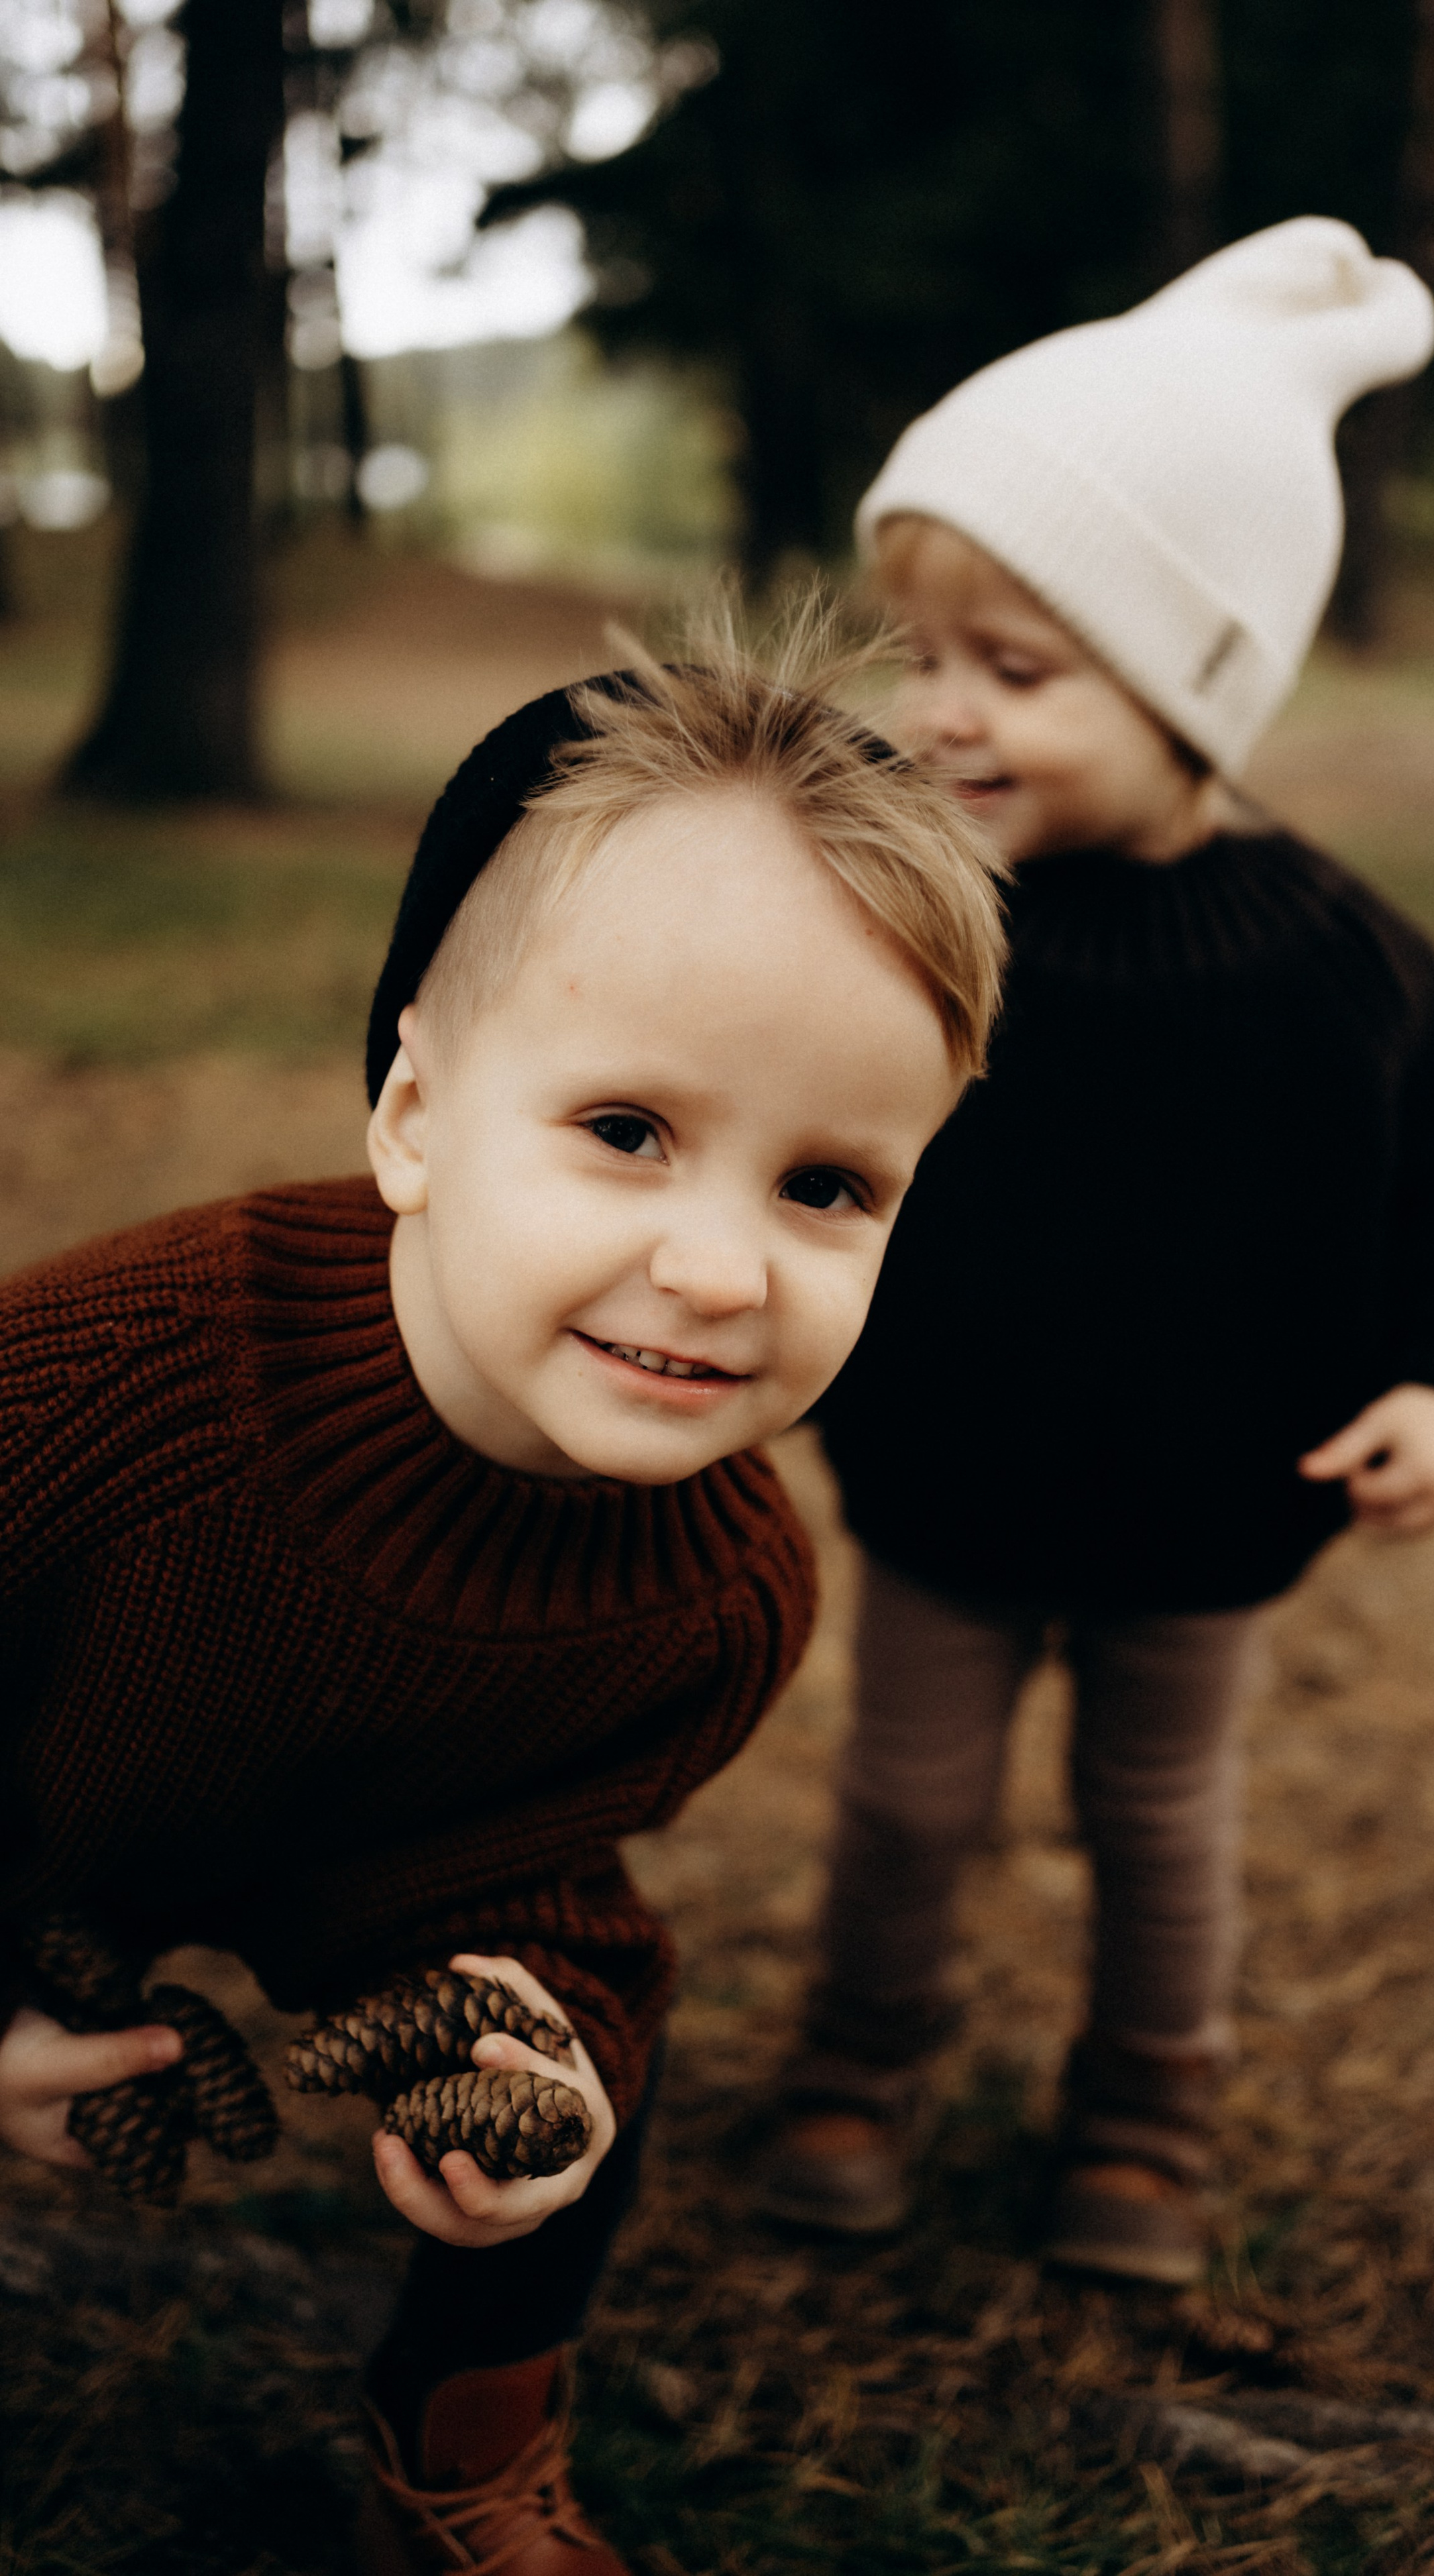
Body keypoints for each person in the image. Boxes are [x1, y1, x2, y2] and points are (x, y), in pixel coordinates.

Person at [0, 629, 1005, 2575]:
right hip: (28, 1793)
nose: (720, 1269)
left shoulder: (722, 1598)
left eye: (829, 1187)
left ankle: (462, 2436)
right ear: (413, 1121)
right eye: (627, 1132)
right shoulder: (112, 1376)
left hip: (349, 1854)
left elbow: (512, 1862)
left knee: (595, 2034)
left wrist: (515, 2041)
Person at [756, 219, 1434, 2286]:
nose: (941, 717)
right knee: (906, 1805)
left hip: (1212, 1520)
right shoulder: (918, 927)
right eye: (921, 654)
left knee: (1160, 1822)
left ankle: (1144, 2109)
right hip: (945, 1499)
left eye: (1016, 673)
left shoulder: (1338, 974)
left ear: (1200, 679)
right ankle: (861, 2061)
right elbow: (802, 1153)